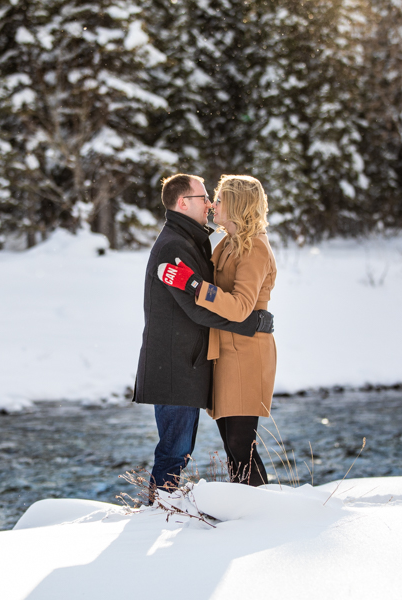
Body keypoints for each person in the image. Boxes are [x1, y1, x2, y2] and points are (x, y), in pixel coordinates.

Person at [133, 173, 274, 500]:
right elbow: (198, 308)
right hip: (180, 361)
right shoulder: (179, 245)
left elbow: (229, 301)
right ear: (183, 203)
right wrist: (251, 323)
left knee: (237, 446)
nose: (212, 204)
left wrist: (247, 321)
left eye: (218, 199)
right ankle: (161, 507)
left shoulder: (220, 242)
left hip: (224, 356)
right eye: (206, 198)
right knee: (183, 447)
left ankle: (259, 512)